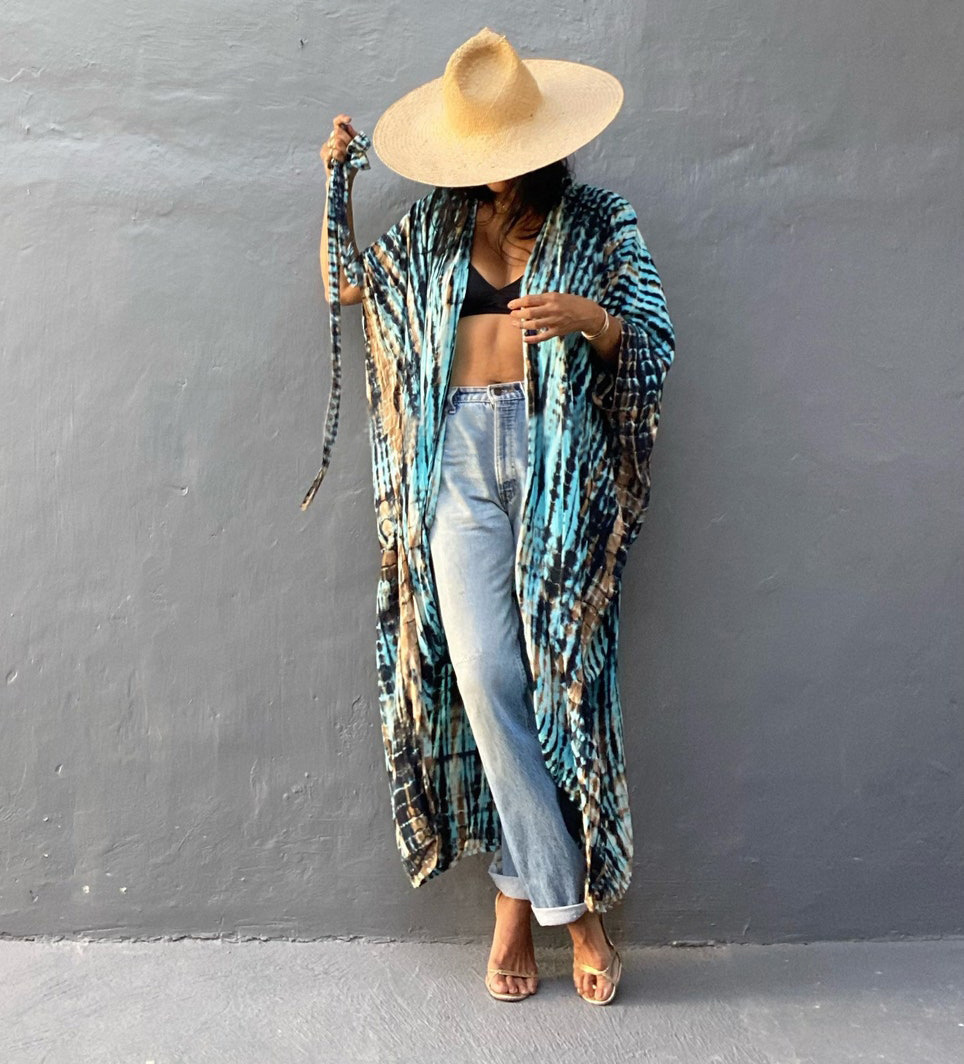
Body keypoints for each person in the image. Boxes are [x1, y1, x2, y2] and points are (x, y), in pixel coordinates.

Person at [307, 27, 675, 1005]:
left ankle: (515, 902)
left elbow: (651, 342)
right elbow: (348, 286)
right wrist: (336, 185)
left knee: (554, 682)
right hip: (458, 464)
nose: (497, 170)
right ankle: (576, 912)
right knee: (483, 674)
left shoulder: (598, 222)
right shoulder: (435, 226)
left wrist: (589, 320)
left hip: (557, 465)